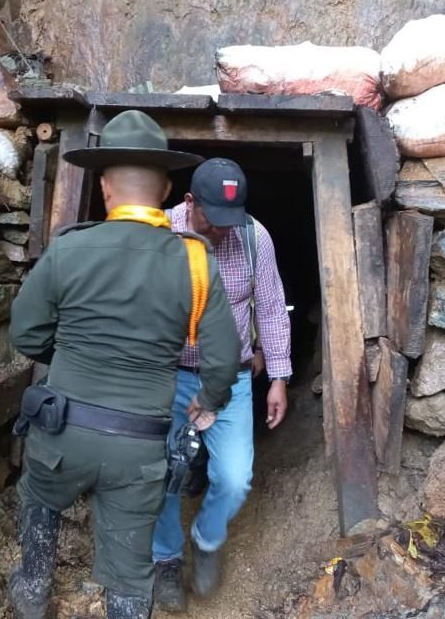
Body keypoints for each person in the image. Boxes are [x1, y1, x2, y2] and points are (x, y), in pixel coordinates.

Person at [7, 110, 242, 619]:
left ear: (107, 187)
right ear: (163, 190)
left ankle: (32, 587)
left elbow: (25, 334)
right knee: (132, 575)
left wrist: (69, 356)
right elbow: (224, 362)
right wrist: (206, 403)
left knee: (42, 506)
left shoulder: (69, 248)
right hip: (139, 446)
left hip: (60, 428)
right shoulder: (196, 261)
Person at [153, 158, 293, 612]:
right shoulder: (159, 233)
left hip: (230, 378)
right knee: (161, 473)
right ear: (189, 202)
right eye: (211, 221)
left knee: (234, 479)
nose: (218, 232)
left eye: (226, 223)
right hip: (168, 375)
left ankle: (207, 539)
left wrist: (279, 376)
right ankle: (166, 559)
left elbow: (271, 307)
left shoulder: (253, 237)